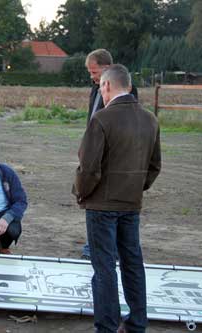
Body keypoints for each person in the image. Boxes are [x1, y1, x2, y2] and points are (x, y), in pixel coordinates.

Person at [72, 64, 161, 333]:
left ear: (107, 86)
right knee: (133, 263)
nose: (102, 92)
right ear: (130, 86)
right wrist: (134, 188)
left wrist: (81, 193)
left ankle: (107, 327)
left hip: (101, 206)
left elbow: (88, 168)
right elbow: (154, 166)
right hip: (131, 204)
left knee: (105, 267)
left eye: (101, 87)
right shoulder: (150, 120)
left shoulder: (101, 119)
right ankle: (136, 324)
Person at [81, 48, 139, 259]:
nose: (92, 76)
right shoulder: (94, 88)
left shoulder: (127, 90)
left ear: (107, 69)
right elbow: (92, 117)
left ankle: (103, 248)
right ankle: (93, 245)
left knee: (105, 201)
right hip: (95, 145)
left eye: (94, 72)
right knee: (96, 198)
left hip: (114, 154)